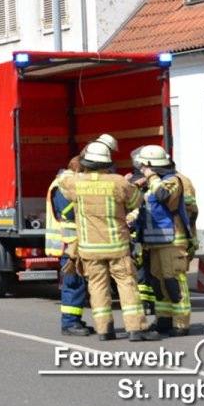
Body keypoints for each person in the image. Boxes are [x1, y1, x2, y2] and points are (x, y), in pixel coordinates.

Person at [59, 136, 158, 342]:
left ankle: (105, 330)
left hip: (89, 248)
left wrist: (73, 169)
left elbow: (62, 179)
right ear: (107, 162)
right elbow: (135, 201)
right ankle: (136, 329)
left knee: (97, 288)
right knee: (127, 286)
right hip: (117, 247)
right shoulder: (118, 182)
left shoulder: (77, 184)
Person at [131, 144, 199, 337]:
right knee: (158, 285)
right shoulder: (153, 184)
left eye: (144, 166)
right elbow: (148, 207)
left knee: (174, 282)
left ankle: (180, 324)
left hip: (172, 242)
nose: (141, 169)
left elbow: (163, 197)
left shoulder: (172, 181)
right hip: (154, 243)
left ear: (152, 165)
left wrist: (151, 176)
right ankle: (163, 320)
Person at [46, 153, 90, 336]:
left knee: (79, 284)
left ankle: (75, 320)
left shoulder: (71, 183)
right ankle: (69, 324)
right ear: (78, 170)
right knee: (73, 284)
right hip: (68, 244)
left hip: (76, 243)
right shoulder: (61, 185)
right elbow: (68, 211)